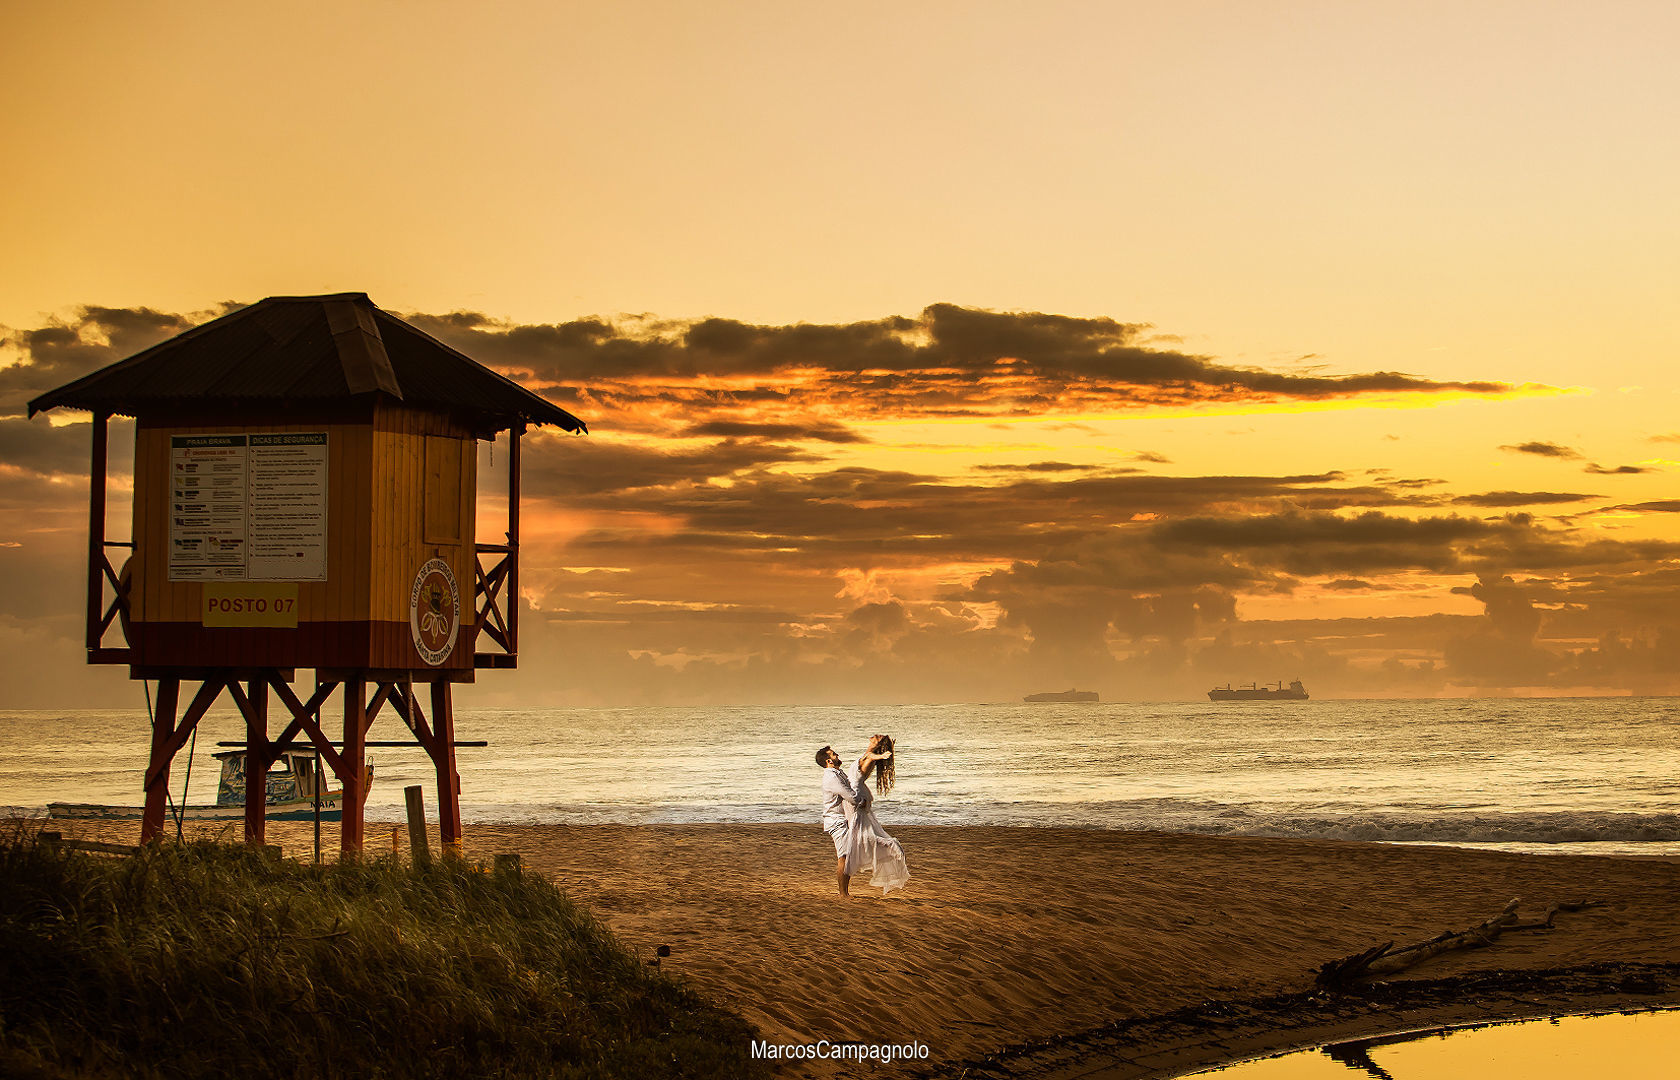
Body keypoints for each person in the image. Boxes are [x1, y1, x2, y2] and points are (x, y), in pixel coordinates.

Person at [844, 734, 910, 895]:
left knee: (858, 833)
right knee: (857, 832)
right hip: (853, 794)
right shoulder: (867, 753)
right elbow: (868, 754)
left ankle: (890, 845)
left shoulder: (871, 756)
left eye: (879, 737)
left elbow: (870, 756)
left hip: (856, 795)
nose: (877, 735)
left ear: (878, 744)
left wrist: (881, 755)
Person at [816, 745, 861, 897]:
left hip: (842, 819)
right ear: (829, 760)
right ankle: (843, 894)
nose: (837, 755)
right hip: (836, 821)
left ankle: (844, 892)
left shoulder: (837, 773)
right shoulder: (831, 777)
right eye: (834, 754)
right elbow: (850, 795)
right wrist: (862, 800)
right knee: (844, 856)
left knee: (847, 856)